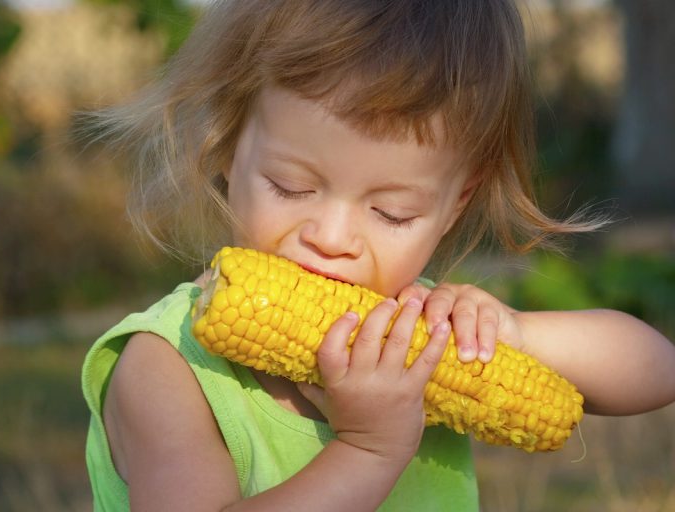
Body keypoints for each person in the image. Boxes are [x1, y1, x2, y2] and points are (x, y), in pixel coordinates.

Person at [81, 1, 675, 510]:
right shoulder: (167, 369)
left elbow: (657, 372)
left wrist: (517, 333)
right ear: (227, 149)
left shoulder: (417, 329)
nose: (333, 236)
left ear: (454, 204)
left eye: (392, 213)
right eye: (291, 185)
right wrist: (367, 451)